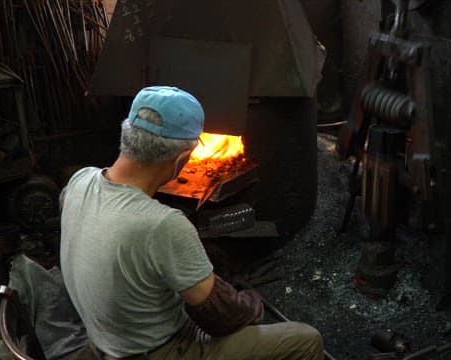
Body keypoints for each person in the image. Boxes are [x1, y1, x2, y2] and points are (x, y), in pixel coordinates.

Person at [60, 86, 324, 360]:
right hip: (153, 351)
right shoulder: (162, 225)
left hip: (104, 338)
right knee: (305, 340)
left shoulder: (79, 181)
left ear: (128, 132)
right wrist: (251, 303)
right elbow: (222, 317)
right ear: (182, 160)